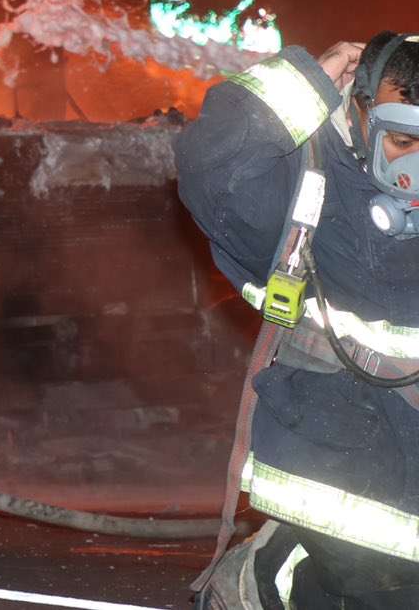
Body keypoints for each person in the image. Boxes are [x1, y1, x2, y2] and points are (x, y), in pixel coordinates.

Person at [177, 33, 419, 609]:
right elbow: (212, 169)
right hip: (343, 459)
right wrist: (300, 83)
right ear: (359, 113)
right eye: (405, 140)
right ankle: (259, 581)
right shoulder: (307, 190)